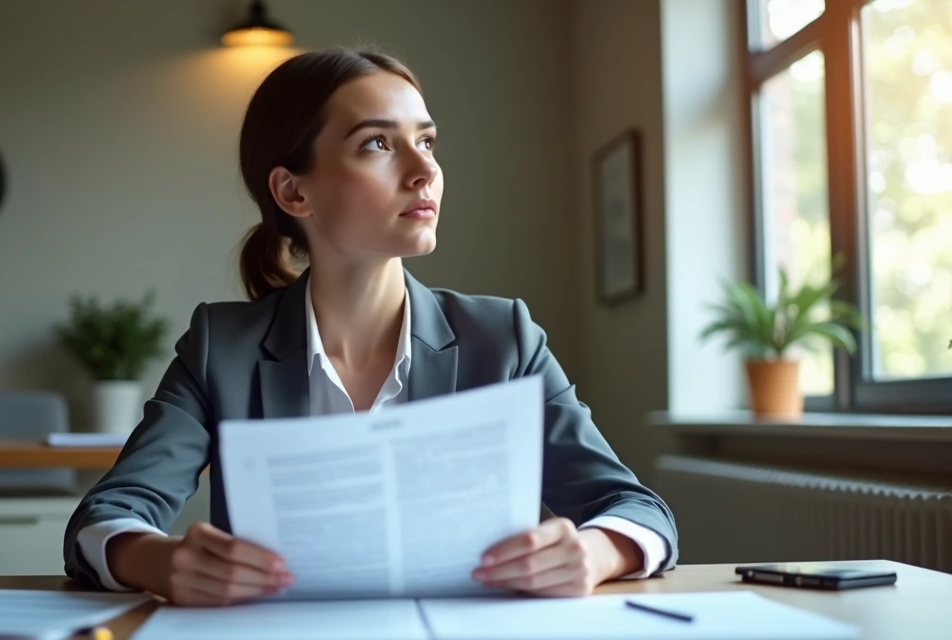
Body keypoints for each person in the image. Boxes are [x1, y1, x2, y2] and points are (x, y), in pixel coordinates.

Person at [62, 47, 677, 606]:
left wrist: (592, 553)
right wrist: (162, 562)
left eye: (428, 142)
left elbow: (638, 511)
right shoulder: (220, 347)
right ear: (292, 191)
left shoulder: (504, 337)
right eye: (378, 145)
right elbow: (106, 516)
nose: (423, 170)